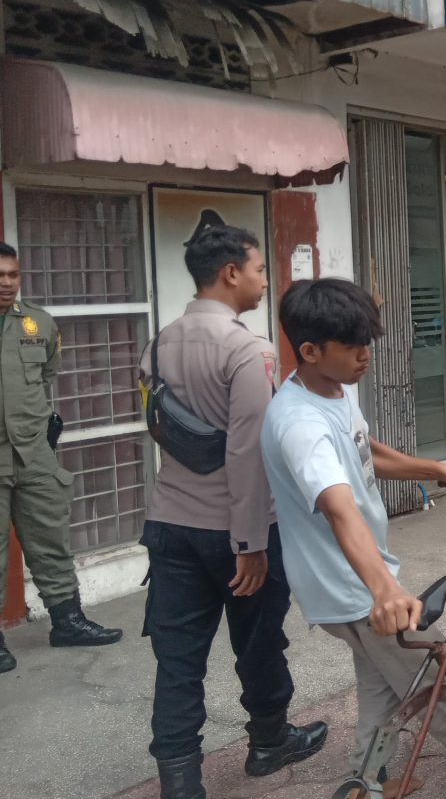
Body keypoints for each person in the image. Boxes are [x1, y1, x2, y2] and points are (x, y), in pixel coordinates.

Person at [261, 278, 446, 792]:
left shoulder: (334, 389)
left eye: (368, 341)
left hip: (361, 577)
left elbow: (369, 452)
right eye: (353, 345)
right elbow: (338, 509)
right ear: (309, 351)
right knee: (420, 668)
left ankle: (368, 778)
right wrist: (384, 590)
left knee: (380, 681)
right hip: (349, 582)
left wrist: (443, 473)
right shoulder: (298, 425)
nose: (365, 354)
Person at [138, 226, 326, 799]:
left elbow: (161, 429)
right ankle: (269, 743)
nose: (265, 280)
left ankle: (180, 780)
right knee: (260, 639)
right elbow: (249, 451)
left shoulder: (160, 342)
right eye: (259, 269)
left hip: (170, 526)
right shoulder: (248, 350)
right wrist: (251, 544)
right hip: (234, 530)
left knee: (177, 658)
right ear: (230, 274)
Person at [0, 243, 123, 675]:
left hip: (33, 451)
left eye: (13, 274)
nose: (7, 282)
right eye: (0, 275)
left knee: (51, 539)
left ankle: (67, 621)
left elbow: (47, 374)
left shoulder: (38, 324)